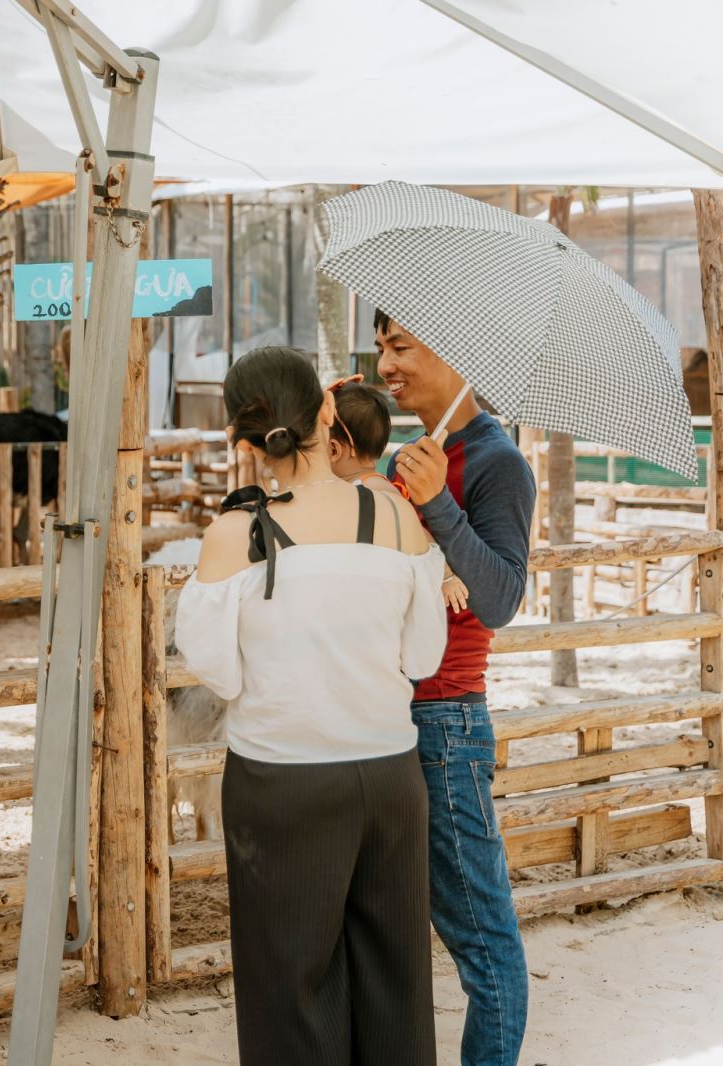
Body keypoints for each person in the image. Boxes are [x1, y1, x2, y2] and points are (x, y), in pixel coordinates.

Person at [178, 346, 448, 1065]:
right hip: (390, 777)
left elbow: (213, 670)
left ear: (243, 439)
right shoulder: (397, 521)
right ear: (328, 413)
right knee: (395, 983)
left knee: (290, 989)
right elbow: (422, 659)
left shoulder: (235, 535)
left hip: (282, 784)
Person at [378, 311, 535, 1066]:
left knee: (482, 938)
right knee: (389, 928)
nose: (386, 365)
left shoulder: (499, 462)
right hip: (377, 716)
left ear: (458, 352)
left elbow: (502, 598)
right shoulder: (408, 455)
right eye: (380, 348)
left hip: (444, 726)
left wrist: (438, 501)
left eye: (400, 345)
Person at [327, 374, 470, 613]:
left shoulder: (374, 491)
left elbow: (419, 532)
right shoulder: (352, 489)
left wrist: (446, 576)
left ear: (334, 449)